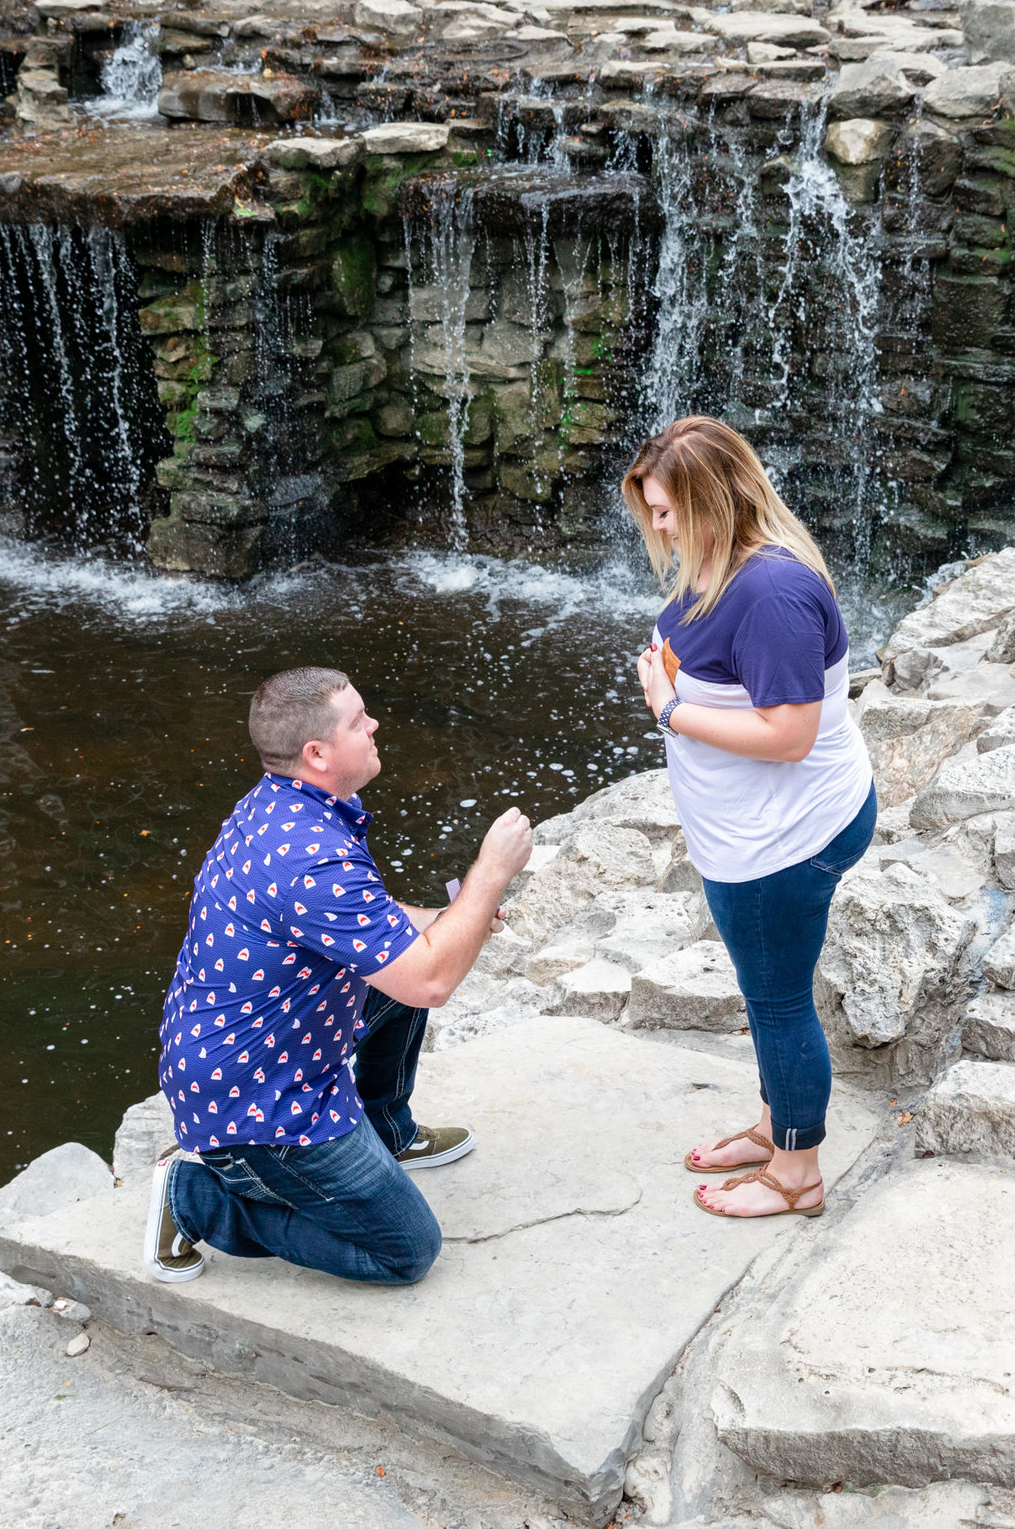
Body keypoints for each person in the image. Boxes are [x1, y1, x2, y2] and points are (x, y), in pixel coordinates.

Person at [147, 666, 533, 1285]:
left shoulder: (291, 803)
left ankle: (388, 1131)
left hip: (270, 1040)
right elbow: (429, 982)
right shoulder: (310, 857)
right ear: (317, 754)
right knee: (406, 1253)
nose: (375, 723)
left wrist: (447, 918)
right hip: (260, 1099)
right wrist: (490, 875)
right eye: (359, 720)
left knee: (407, 955)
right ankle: (196, 1195)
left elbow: (369, 922)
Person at [625, 417, 878, 1221]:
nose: (657, 527)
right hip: (749, 831)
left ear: (710, 500)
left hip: (785, 839)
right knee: (764, 986)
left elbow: (790, 735)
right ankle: (776, 1125)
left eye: (666, 511)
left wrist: (670, 712)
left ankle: (797, 1170)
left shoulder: (770, 593)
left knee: (777, 999)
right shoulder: (721, 566)